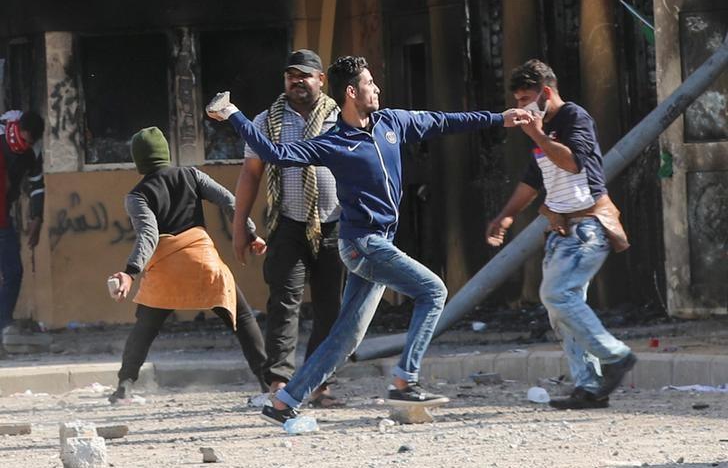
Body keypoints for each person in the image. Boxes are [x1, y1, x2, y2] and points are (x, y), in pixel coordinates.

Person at [207, 55, 532, 426]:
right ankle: (405, 380)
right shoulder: (332, 143)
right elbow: (274, 154)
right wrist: (233, 113)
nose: (376, 89)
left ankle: (284, 402)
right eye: (369, 84)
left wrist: (499, 118)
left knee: (345, 337)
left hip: (376, 244)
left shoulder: (392, 122)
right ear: (351, 92)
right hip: (363, 244)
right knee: (434, 291)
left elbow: (443, 121)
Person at [485, 59, 637, 409]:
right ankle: (589, 387)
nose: (521, 107)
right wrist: (506, 216)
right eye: (518, 99)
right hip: (561, 230)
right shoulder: (542, 128)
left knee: (557, 294)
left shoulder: (574, 118)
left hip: (588, 226)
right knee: (561, 309)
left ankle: (615, 356)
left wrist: (537, 133)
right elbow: (533, 178)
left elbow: (573, 163)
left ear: (546, 93)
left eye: (526, 98)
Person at [107, 126, 268, 403]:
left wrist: (131, 272)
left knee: (144, 328)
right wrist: (250, 232)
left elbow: (149, 234)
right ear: (165, 153)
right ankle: (269, 383)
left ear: (139, 161)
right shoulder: (191, 175)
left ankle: (125, 384)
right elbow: (230, 201)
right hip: (203, 262)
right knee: (241, 318)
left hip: (165, 267)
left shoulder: (136, 195)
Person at [234, 49, 344, 408]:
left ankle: (319, 382)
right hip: (288, 223)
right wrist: (240, 226)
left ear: (320, 80)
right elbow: (251, 174)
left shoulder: (341, 118)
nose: (297, 81)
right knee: (284, 303)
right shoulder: (266, 121)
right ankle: (280, 381)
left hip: (335, 225)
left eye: (305, 75)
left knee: (331, 307)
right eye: (290, 76)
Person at [0, 110, 45, 338]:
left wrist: (37, 216)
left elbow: (36, 183)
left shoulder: (32, 151)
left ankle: (4, 324)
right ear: (18, 129)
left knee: (13, 271)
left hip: (3, 214)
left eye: (31, 143)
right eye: (25, 140)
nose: (26, 146)